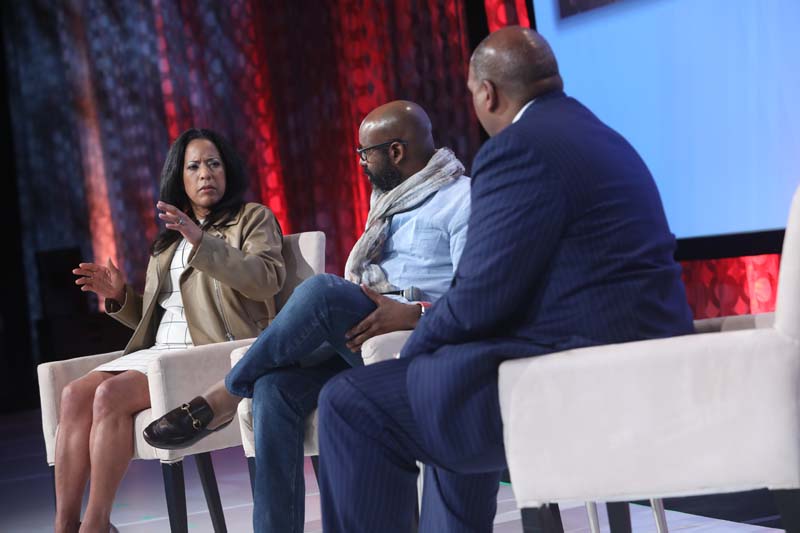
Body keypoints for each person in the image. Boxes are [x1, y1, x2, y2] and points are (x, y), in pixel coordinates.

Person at [316, 26, 695, 533]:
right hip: (648, 365)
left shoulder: (517, 149)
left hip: (581, 379)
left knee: (349, 402)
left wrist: (416, 349)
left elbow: (479, 295)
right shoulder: (605, 137)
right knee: (447, 378)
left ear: (488, 93)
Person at [144, 101, 471, 532]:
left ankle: (225, 394)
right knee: (272, 388)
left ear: (395, 152)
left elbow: (476, 297)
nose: (361, 163)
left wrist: (415, 313)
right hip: (363, 337)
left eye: (365, 153)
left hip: (411, 336)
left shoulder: (461, 200)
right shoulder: (391, 201)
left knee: (322, 291)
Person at [55, 128, 285, 533]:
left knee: (109, 395)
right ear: (179, 178)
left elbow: (266, 281)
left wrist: (202, 242)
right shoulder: (166, 244)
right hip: (161, 352)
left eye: (213, 164)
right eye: (193, 166)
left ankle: (95, 524)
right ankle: (65, 524)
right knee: (74, 395)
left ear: (227, 170)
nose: (205, 173)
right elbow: (158, 318)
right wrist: (120, 297)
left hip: (211, 353)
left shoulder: (252, 218)